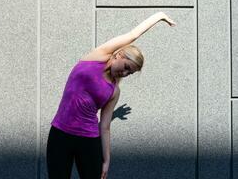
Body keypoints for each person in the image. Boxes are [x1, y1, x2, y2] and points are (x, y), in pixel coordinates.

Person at [46, 12, 176, 179]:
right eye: (127, 66)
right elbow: (132, 35)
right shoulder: (98, 56)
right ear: (119, 55)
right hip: (60, 133)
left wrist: (107, 159)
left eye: (130, 73)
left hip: (88, 139)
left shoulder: (114, 91)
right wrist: (159, 16)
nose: (125, 72)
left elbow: (105, 126)